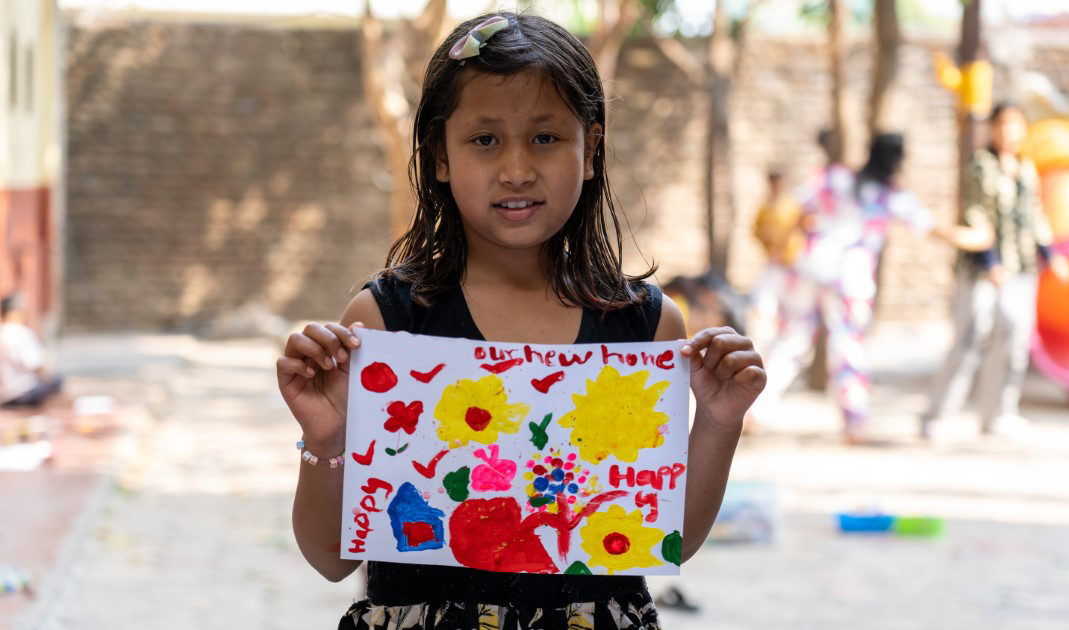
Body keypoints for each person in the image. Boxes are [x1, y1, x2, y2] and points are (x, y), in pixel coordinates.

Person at [275, 13, 766, 629]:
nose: (516, 169)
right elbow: (330, 560)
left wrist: (720, 423)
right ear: (440, 157)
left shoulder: (645, 327)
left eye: (545, 138)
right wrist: (325, 439)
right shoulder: (386, 325)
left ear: (589, 151)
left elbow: (671, 540)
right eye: (484, 140)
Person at [752, 133, 990, 443]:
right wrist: (977, 238)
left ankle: (753, 408)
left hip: (808, 269)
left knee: (791, 342)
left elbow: (795, 209)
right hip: (851, 280)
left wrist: (788, 242)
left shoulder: (835, 178)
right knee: (848, 347)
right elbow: (933, 229)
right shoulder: (889, 194)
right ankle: (854, 423)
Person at [921, 102, 1069, 438]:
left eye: (1016, 125)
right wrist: (991, 262)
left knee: (1014, 341)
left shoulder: (1026, 168)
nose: (1010, 131)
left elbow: (1034, 216)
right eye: (1003, 124)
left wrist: (1052, 255)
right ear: (992, 128)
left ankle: (1000, 413)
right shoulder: (981, 165)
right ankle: (939, 414)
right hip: (981, 270)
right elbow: (978, 215)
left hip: (1020, 267)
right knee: (970, 338)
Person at [750, 168, 805, 351]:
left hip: (792, 261)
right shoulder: (765, 208)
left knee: (793, 303)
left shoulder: (792, 205)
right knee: (768, 302)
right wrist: (769, 247)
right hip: (773, 261)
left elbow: (801, 227)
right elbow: (757, 232)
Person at [0, 293, 63, 408]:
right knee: (57, 380)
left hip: (3, 396)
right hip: (23, 394)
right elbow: (36, 364)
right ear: (16, 312)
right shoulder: (20, 332)